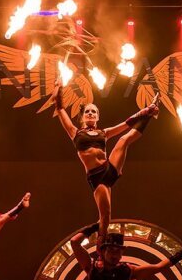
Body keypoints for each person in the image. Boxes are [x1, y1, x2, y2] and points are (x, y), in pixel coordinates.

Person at [52, 82, 159, 243]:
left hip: (109, 167)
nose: (90, 113)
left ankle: (151, 114)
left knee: (124, 140)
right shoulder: (75, 133)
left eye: (93, 111)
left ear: (98, 116)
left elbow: (126, 124)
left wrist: (145, 112)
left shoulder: (104, 133)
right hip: (97, 177)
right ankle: (101, 244)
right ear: (82, 117)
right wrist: (58, 88)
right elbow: (60, 109)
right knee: (105, 215)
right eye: (87, 111)